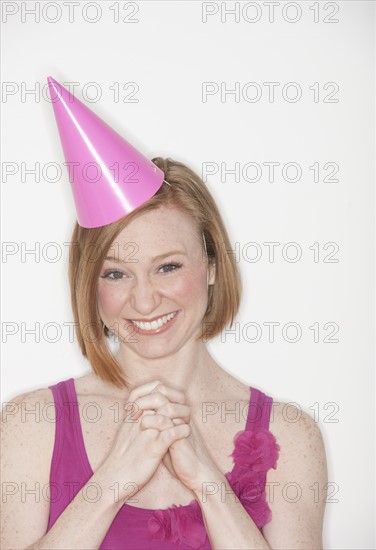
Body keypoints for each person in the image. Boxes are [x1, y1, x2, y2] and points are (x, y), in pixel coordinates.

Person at [1, 78, 328, 550]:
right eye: (115, 274)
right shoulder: (29, 424)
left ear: (212, 266)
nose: (146, 300)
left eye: (168, 267)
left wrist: (208, 483)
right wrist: (111, 480)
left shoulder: (291, 437)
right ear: (88, 284)